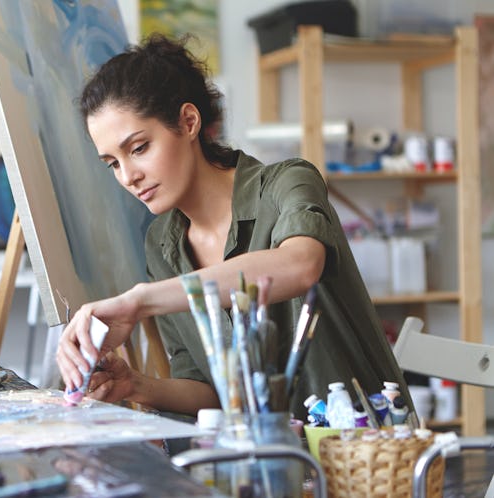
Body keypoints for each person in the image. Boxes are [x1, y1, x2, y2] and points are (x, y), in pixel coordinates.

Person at [56, 33, 411, 420]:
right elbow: (213, 393)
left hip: (365, 458)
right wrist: (137, 386)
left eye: (139, 148)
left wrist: (139, 301)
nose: (128, 176)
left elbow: (299, 266)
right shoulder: (163, 244)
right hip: (265, 463)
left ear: (189, 122)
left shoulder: (287, 183)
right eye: (112, 163)